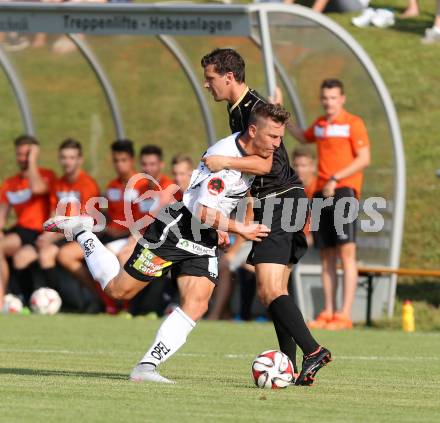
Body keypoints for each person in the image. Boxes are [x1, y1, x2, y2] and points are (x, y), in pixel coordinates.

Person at [42, 103, 285, 384]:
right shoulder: (223, 163)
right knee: (119, 291)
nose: (277, 145)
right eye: (273, 138)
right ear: (253, 131)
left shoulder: (243, 153)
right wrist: (237, 226)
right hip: (176, 231)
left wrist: (220, 223)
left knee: (197, 302)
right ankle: (83, 232)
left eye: (280, 138)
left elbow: (259, 168)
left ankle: (146, 367)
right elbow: (201, 210)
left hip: (203, 236)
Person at [201, 48, 331, 385]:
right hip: (282, 201)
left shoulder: (251, 112)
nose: (206, 84)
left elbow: (267, 165)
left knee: (269, 290)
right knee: (274, 290)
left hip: (280, 202)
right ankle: (288, 364)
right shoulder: (243, 109)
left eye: (210, 78)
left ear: (229, 77)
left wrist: (223, 162)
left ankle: (313, 351)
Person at [287, 78, 370, 330]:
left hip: (344, 191)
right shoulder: (321, 125)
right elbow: (302, 136)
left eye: (333, 98)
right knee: (326, 257)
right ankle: (329, 312)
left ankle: (345, 315)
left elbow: (364, 158)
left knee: (347, 254)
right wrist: (280, 112)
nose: (329, 102)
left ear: (342, 99)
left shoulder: (353, 124)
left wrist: (336, 177)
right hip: (322, 194)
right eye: (325, 98)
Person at [57, 139, 143, 314]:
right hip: (108, 234)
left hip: (130, 236)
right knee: (65, 255)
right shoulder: (112, 185)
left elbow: (144, 219)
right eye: (116, 160)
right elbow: (107, 215)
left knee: (114, 255)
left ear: (132, 160)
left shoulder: (142, 185)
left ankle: (124, 306)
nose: (119, 165)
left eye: (123, 160)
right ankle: (101, 297)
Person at [11, 138, 100, 292]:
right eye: (64, 157)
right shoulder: (58, 183)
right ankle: (26, 302)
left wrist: (52, 237)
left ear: (80, 160)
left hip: (82, 234)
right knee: (21, 257)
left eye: (72, 158)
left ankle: (97, 298)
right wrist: (45, 236)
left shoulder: (87, 184)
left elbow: (85, 222)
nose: (67, 162)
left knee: (47, 255)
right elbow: (54, 213)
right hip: (60, 234)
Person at [0, 135, 56, 308]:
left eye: (27, 154)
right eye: (20, 154)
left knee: (18, 256)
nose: (22, 159)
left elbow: (38, 188)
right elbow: (1, 215)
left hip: (41, 231)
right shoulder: (10, 183)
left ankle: (2, 299)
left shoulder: (47, 175)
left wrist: (32, 162)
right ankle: (8, 298)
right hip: (21, 231)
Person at [291, 146, 317, 245]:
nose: (299, 170)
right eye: (296, 166)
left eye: (303, 166)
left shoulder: (320, 188)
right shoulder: (289, 188)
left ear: (313, 167)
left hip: (317, 241)